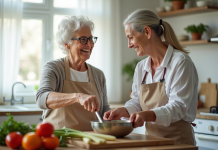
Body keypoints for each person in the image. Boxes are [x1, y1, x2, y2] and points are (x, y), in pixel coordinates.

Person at [104, 9, 198, 145]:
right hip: (151, 142)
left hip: (178, 143)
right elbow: (137, 102)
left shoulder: (181, 62)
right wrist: (123, 111)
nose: (129, 45)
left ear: (147, 32)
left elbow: (179, 107)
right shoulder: (141, 67)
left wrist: (147, 115)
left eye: (131, 37)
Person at [36, 16, 110, 130]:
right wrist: (77, 97)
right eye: (83, 39)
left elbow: (104, 109)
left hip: (91, 140)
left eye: (91, 39)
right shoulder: (54, 68)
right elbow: (41, 99)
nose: (89, 44)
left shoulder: (98, 74)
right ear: (67, 44)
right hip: (59, 140)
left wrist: (111, 117)